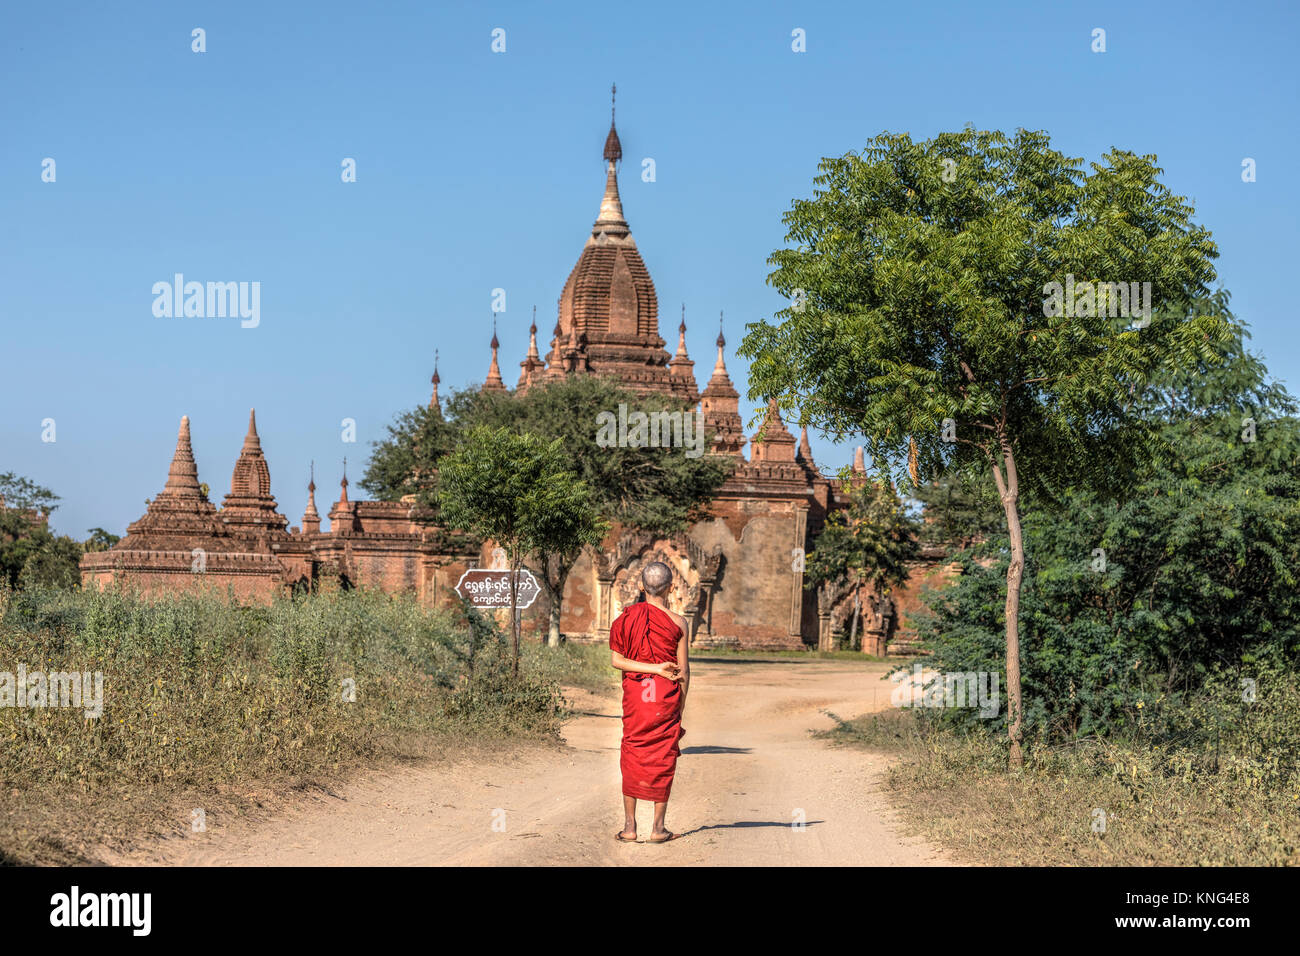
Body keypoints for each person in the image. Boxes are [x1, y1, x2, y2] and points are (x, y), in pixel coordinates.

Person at [608, 561, 689, 844]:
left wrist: (648, 669)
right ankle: (658, 828)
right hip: (664, 700)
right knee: (663, 755)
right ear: (670, 588)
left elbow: (617, 660)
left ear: (641, 586)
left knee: (632, 752)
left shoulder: (624, 619)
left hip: (636, 699)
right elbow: (684, 672)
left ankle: (629, 827)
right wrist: (679, 710)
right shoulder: (679, 623)